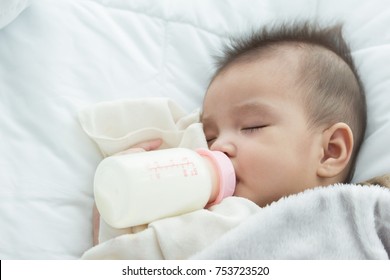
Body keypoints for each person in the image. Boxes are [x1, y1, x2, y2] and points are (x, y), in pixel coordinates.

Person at [85, 21, 367, 259]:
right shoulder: (216, 218)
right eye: (209, 136)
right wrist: (117, 212)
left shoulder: (363, 219)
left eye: (252, 126)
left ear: (330, 151)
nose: (218, 147)